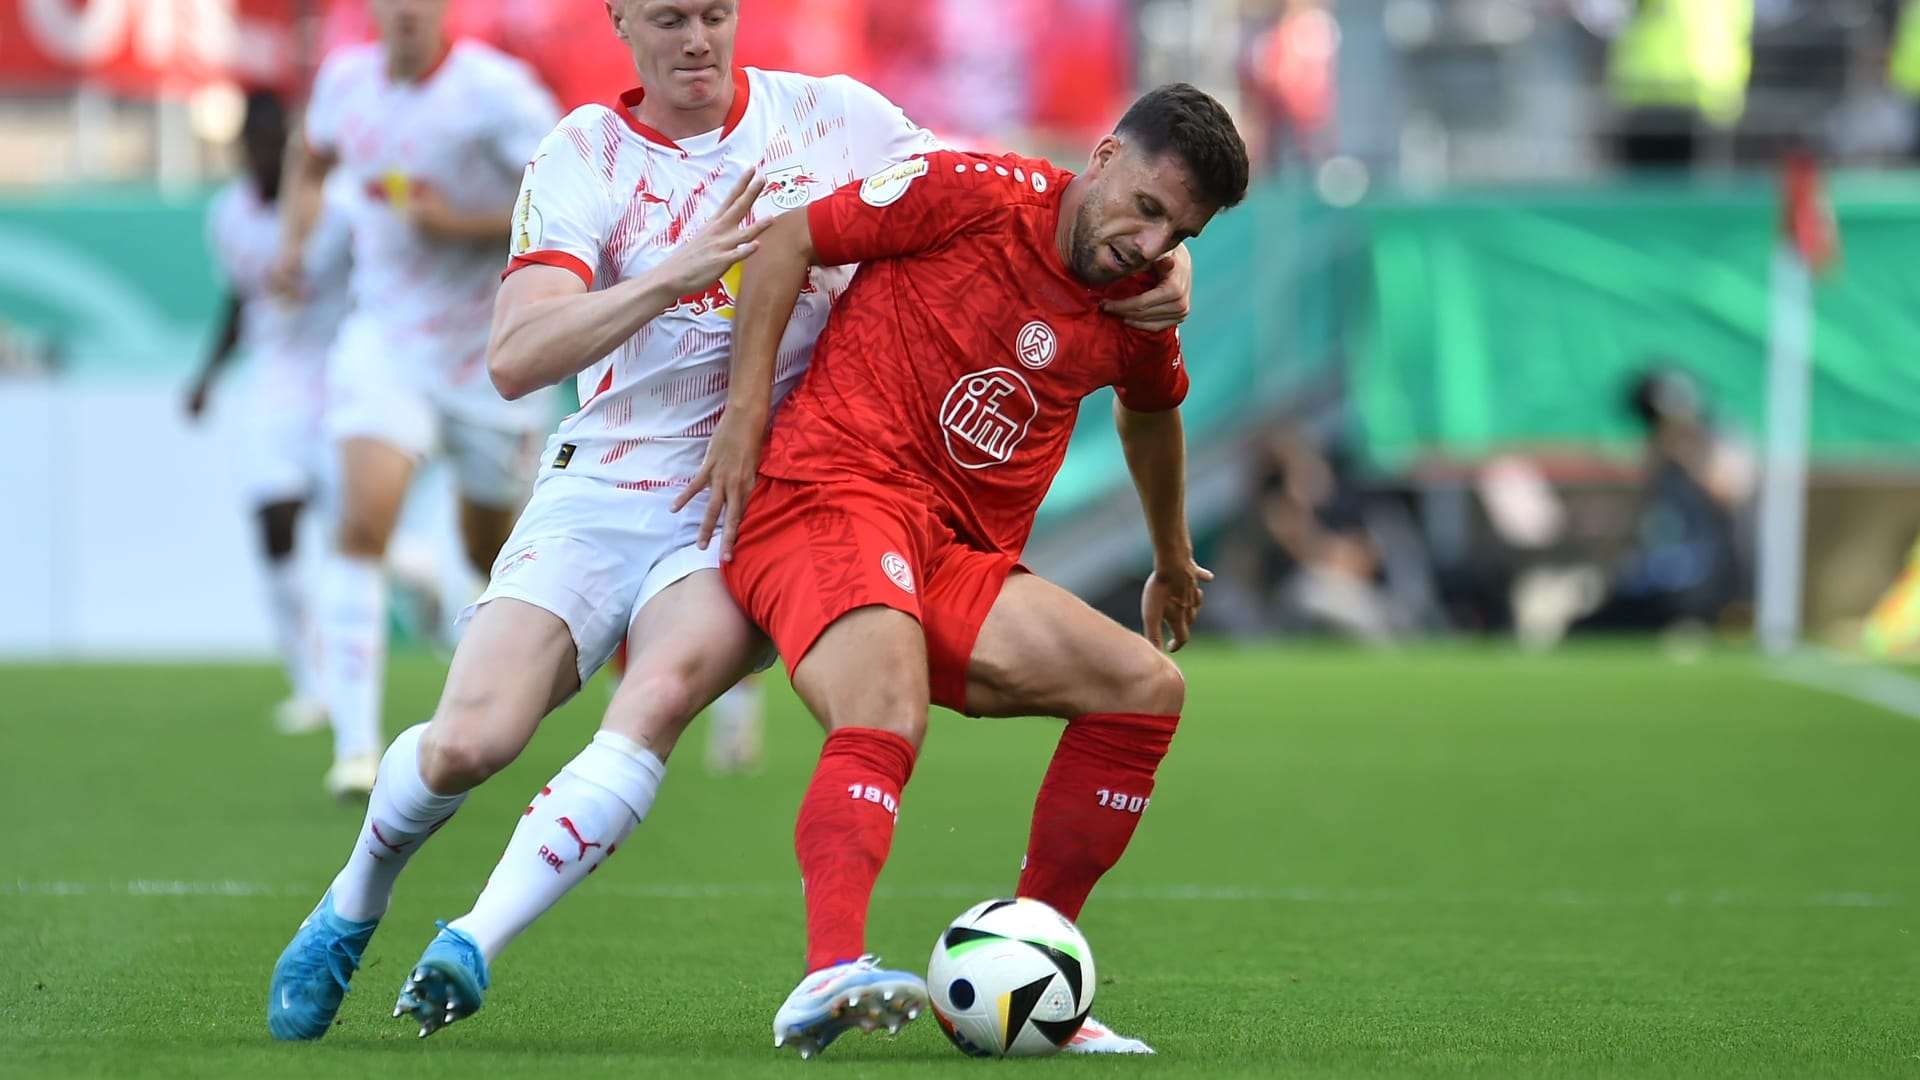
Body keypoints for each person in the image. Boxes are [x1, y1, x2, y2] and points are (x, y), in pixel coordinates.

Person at [263, 0, 1196, 1045]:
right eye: (669, 19)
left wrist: (1165, 258)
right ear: (621, 21)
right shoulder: (585, 153)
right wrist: (675, 273)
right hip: (610, 481)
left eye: (713, 14)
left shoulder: (834, 119)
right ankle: (354, 899)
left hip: (757, 492)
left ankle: (475, 938)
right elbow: (518, 356)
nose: (696, 39)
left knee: (658, 698)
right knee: (470, 743)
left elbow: (1020, 195)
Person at [702, 82, 1250, 1057]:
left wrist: (1172, 555)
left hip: (953, 557)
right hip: (827, 493)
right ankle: (827, 974)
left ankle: (1033, 969)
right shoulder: (967, 191)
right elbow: (786, 240)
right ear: (1103, 155)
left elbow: (1152, 408)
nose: (1151, 243)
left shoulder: (1136, 294)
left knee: (1142, 688)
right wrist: (746, 416)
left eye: (1180, 233)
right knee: (887, 704)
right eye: (1148, 207)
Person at [270, 0, 562, 798]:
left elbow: (571, 192)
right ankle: (357, 747)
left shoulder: (496, 94)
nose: (405, 10)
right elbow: (313, 156)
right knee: (361, 521)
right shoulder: (345, 81)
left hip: (491, 353)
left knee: (490, 548)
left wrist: (461, 224)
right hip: (386, 338)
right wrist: (294, 246)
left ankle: (480, 649)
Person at [186, 89, 351, 736]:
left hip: (338, 376)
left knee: (356, 537)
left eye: (269, 142)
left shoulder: (335, 212)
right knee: (273, 519)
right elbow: (239, 300)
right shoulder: (226, 216)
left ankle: (417, 572)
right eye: (247, 143)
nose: (256, 155)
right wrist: (205, 375)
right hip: (274, 383)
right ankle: (311, 685)